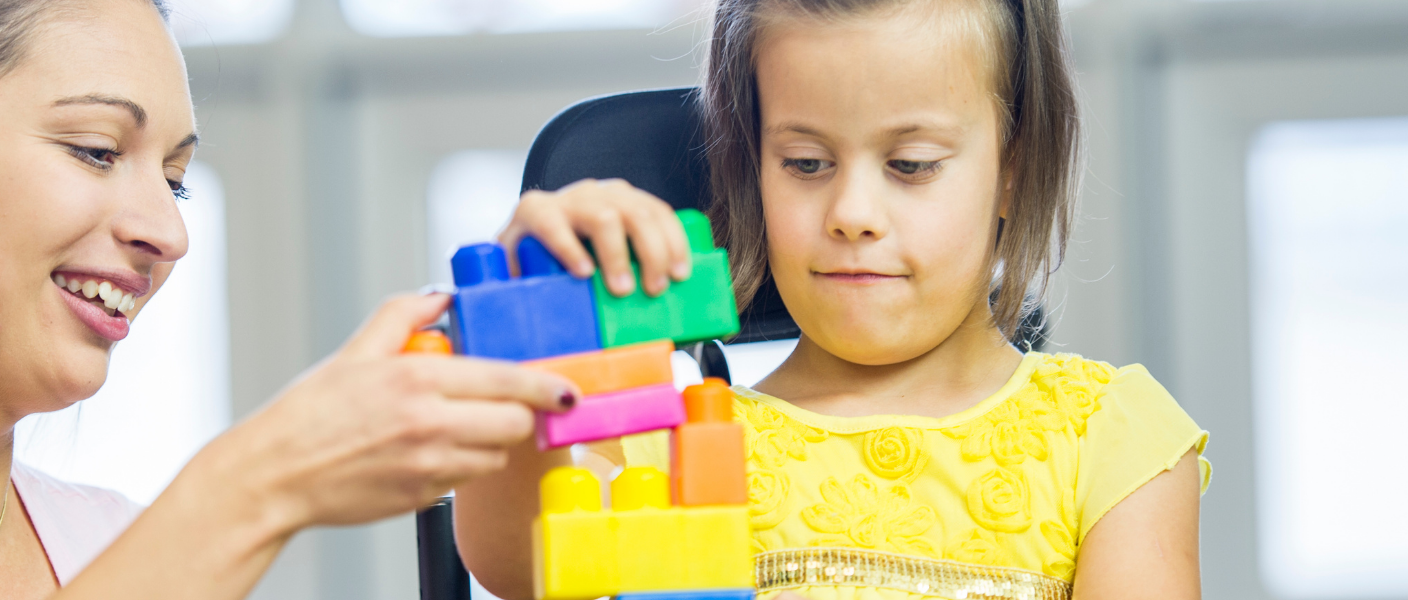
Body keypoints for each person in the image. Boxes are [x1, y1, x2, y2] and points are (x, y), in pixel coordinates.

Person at [0, 0, 698, 598]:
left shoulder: (110, 545)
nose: (167, 231)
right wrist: (255, 485)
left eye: (172, 174)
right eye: (93, 148)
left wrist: (523, 340)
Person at [455, 0, 1212, 598]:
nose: (853, 211)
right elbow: (514, 563)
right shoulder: (666, 447)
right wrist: (527, 344)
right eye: (806, 162)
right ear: (750, 166)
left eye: (911, 165)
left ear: (1013, 165)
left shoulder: (1115, 440)